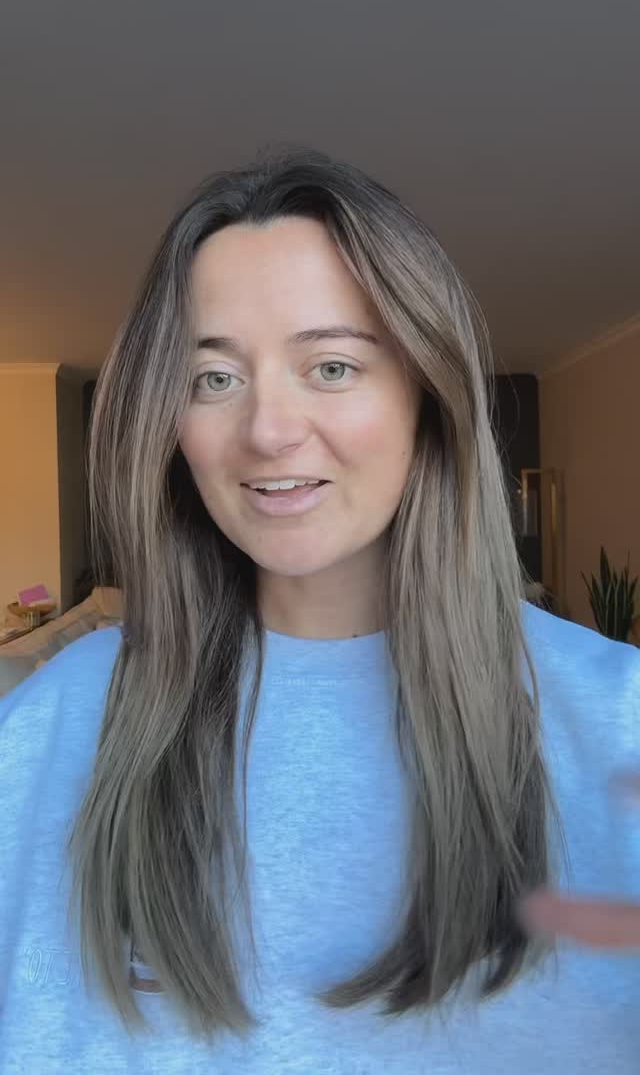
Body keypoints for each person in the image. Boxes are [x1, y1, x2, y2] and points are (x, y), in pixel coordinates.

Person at [0, 145, 638, 1074]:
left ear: (426, 393)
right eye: (214, 378)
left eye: (331, 366)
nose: (266, 430)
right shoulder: (51, 724)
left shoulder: (619, 718)